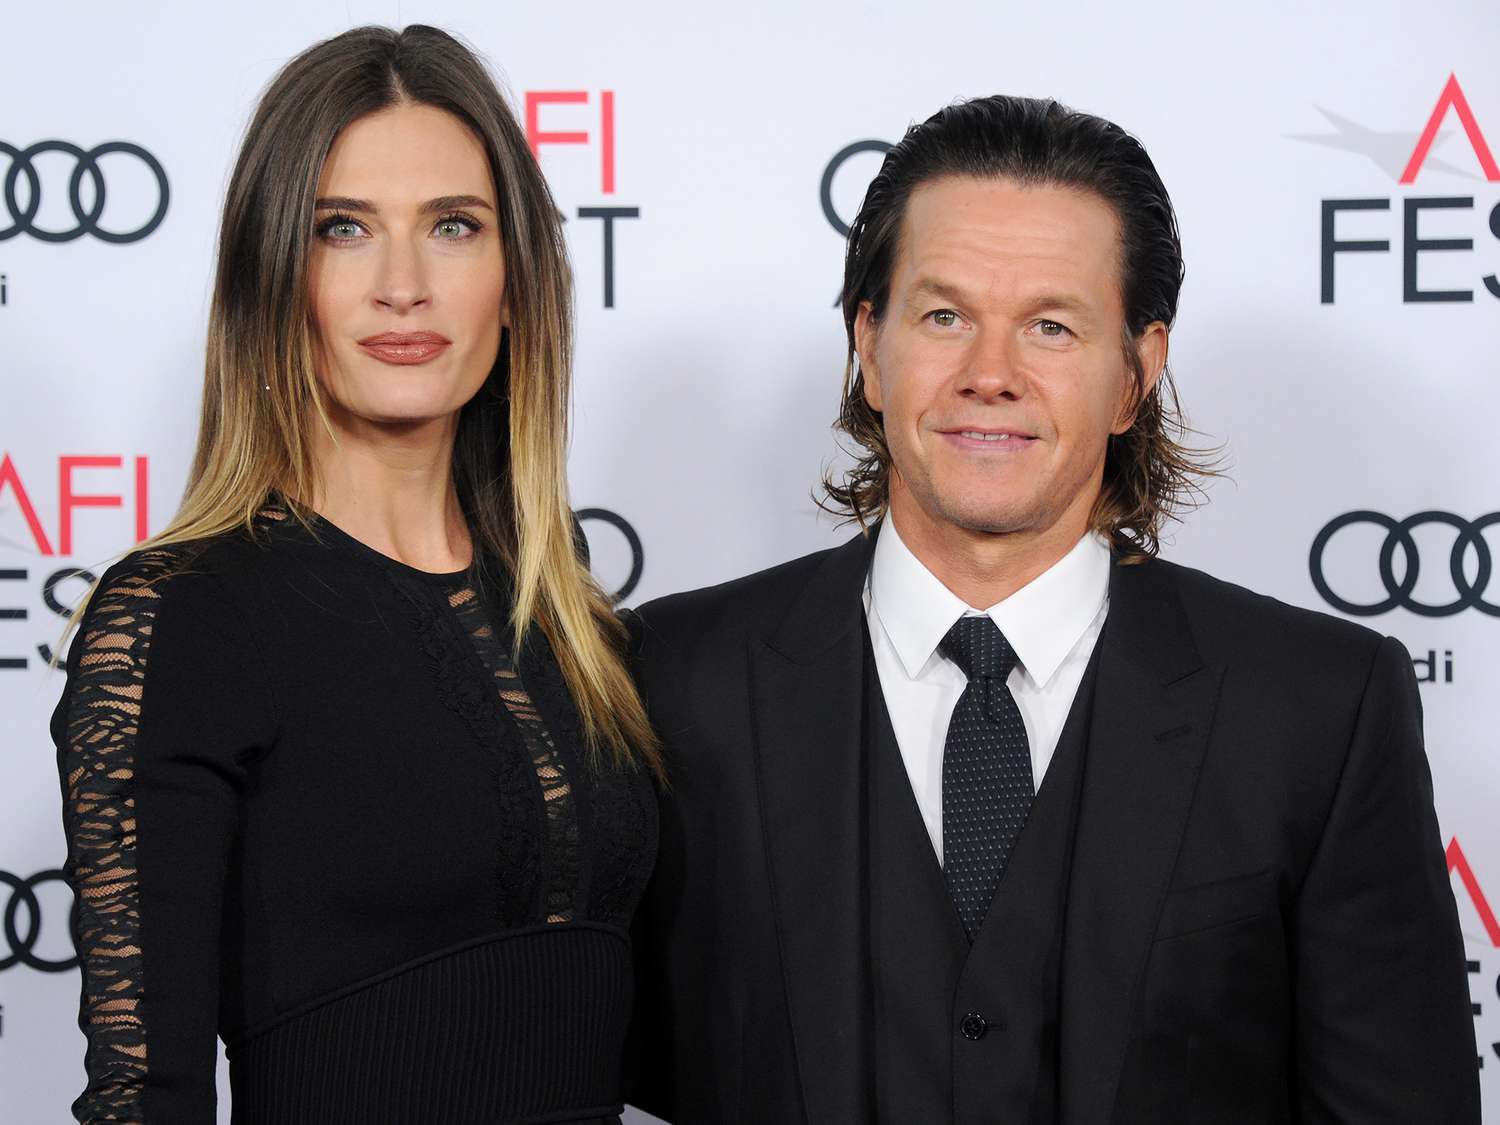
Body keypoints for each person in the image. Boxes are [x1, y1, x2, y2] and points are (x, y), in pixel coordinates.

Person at [625, 96, 1477, 1123]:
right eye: (944, 317)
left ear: (1135, 375)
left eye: (1052, 326)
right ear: (869, 345)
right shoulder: (665, 683)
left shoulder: (1318, 710)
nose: (991, 376)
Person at [53, 25, 658, 1125]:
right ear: (274, 279)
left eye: (454, 228)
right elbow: (147, 1095)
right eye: (344, 230)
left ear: (517, 282)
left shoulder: (567, 616)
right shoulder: (183, 615)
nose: (404, 286)